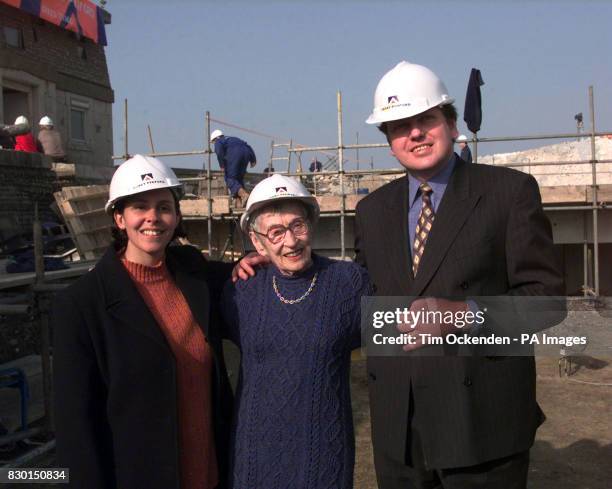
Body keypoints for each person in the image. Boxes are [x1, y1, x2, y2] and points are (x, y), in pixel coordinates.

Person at [356, 61, 564, 488]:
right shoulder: (372, 211)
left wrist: (461, 314)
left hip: (482, 427)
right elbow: (360, 292)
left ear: (451, 124)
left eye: (426, 119)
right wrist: (285, 265)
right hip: (400, 430)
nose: (414, 133)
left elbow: (546, 300)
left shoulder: (508, 193)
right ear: (390, 142)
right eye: (399, 126)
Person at [53, 154, 238, 489]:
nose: (153, 217)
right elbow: (75, 427)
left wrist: (261, 259)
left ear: (177, 215)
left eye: (164, 207)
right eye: (140, 207)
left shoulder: (194, 272)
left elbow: (247, 280)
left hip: (210, 476)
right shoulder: (81, 305)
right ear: (119, 218)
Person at [221, 174, 370, 489]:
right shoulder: (241, 290)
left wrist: (489, 321)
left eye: (297, 225)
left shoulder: (348, 283)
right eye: (275, 232)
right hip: (252, 461)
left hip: (322, 460)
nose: (290, 241)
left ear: (311, 224)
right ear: (257, 240)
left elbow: (404, 328)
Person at [210, 129, 256, 206]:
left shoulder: (219, 141)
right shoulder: (232, 139)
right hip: (246, 154)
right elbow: (247, 146)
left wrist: (222, 165)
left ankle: (244, 195)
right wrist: (253, 159)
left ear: (216, 138)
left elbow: (218, 152)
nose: (214, 144)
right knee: (238, 179)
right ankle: (240, 203)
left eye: (213, 142)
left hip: (235, 154)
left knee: (229, 178)